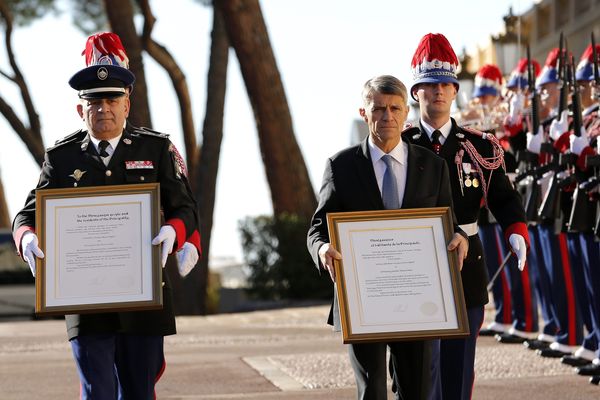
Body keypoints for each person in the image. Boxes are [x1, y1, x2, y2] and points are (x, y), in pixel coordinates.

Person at [12, 32, 200, 399]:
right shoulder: (62, 158)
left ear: (126, 105)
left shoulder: (156, 148)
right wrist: (28, 238)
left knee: (138, 392)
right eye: (93, 102)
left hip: (144, 297)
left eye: (112, 99)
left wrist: (173, 232)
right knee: (96, 391)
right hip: (85, 301)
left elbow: (185, 207)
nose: (104, 109)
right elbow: (28, 213)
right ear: (80, 110)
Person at [307, 74, 468, 400]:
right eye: (378, 109)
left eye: (395, 108)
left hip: (419, 302)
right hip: (362, 302)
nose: (387, 117)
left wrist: (460, 238)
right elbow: (317, 228)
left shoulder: (433, 166)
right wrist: (323, 248)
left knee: (418, 392)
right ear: (364, 113)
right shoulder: (341, 166)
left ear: (406, 111)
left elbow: (448, 224)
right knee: (372, 392)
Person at [403, 33, 529, 400]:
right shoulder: (402, 145)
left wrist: (515, 231)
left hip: (465, 266)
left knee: (459, 370)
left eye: (445, 84)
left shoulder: (480, 145)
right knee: (416, 368)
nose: (438, 92)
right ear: (416, 92)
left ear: (456, 89)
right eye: (429, 85)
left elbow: (504, 198)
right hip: (414, 268)